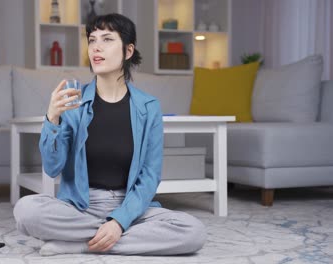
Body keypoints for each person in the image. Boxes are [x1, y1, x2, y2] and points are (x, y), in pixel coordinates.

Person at [13, 13, 206, 256]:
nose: (96, 47)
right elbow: (52, 168)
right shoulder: (74, 102)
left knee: (193, 231)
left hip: (130, 206)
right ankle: (105, 239)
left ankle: (80, 243)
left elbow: (149, 176)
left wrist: (119, 221)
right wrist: (52, 119)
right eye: (92, 40)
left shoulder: (149, 107)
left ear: (128, 51)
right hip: (82, 206)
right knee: (26, 210)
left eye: (107, 39)